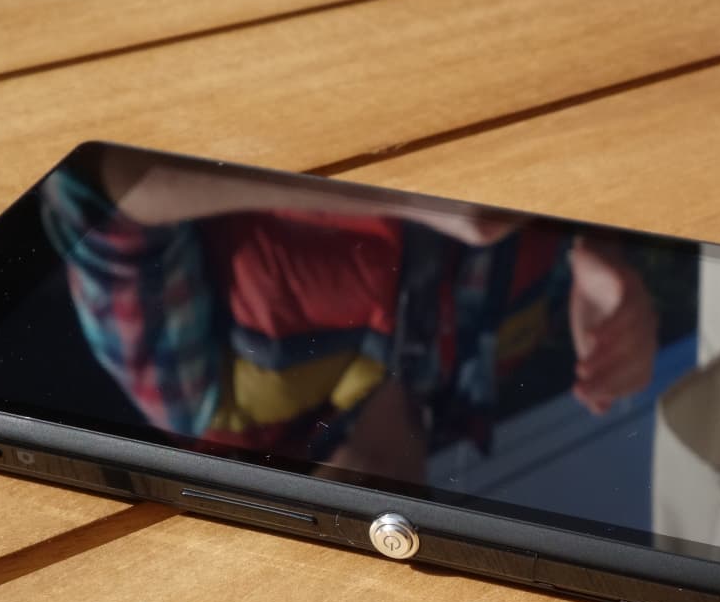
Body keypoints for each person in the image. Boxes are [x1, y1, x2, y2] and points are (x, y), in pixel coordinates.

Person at [41, 148, 658, 483]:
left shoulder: (199, 401)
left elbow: (90, 186)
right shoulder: (489, 377)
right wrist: (603, 250)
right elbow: (574, 187)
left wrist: (401, 194)